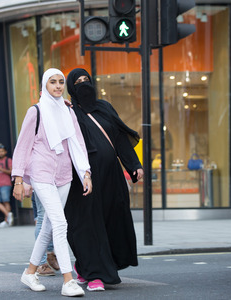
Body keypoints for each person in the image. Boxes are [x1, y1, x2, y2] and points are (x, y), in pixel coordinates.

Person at [12, 68, 92, 297]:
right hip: (42, 173)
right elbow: (23, 146)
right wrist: (19, 179)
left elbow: (77, 143)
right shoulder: (35, 112)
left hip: (64, 175)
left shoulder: (68, 112)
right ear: (44, 86)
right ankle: (69, 280)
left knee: (48, 226)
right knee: (60, 223)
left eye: (60, 82)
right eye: (52, 82)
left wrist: (85, 173)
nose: (57, 86)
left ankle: (29, 272)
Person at [64, 68, 143, 291]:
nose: (83, 85)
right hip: (82, 180)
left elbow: (118, 137)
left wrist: (134, 165)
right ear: (71, 87)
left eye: (86, 80)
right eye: (78, 82)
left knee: (113, 219)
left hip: (112, 177)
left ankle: (91, 266)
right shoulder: (69, 112)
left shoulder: (104, 107)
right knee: (88, 226)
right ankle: (96, 274)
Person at [0, 143, 14, 227]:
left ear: (5, 152)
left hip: (6, 184)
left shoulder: (8, 160)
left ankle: (7, 221)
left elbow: (12, 172)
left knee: (6, 202)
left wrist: (2, 169)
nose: (0, 153)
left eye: (2, 151)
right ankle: (8, 215)